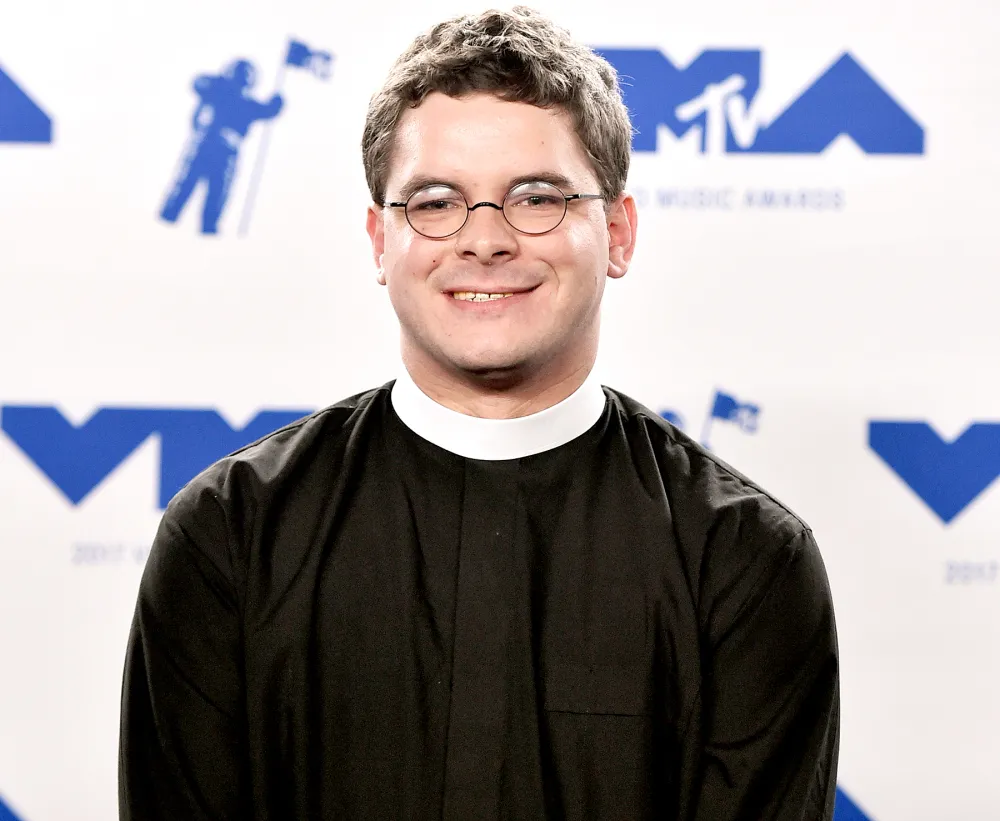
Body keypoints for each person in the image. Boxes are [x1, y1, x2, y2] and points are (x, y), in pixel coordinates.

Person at [119, 7, 839, 819]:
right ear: (379, 241)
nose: (485, 240)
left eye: (536, 197)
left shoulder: (744, 560)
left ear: (618, 232)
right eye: (434, 200)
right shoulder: (229, 537)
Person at [159, 59, 283, 235]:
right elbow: (198, 83)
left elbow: (267, 111)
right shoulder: (217, 91)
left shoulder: (246, 104)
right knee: (183, 190)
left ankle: (207, 236)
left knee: (215, 199)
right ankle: (165, 225)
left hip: (226, 153)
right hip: (205, 146)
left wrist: (277, 103)